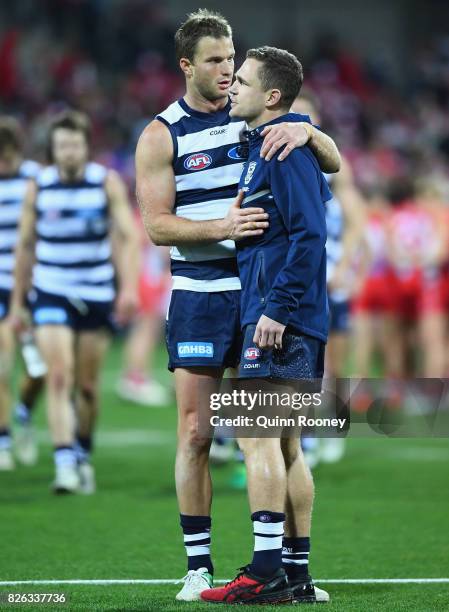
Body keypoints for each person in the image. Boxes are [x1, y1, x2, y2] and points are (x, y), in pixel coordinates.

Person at [136, 9, 340, 601]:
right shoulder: (161, 133)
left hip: (262, 295)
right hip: (203, 295)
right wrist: (221, 226)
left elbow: (328, 161)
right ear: (186, 66)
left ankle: (289, 571)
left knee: (278, 438)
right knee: (198, 432)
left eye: (232, 59)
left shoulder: (256, 116)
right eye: (215, 61)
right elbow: (155, 226)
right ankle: (199, 565)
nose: (228, 70)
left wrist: (311, 132)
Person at [201, 46, 330, 605]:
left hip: (281, 317)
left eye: (245, 81)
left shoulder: (282, 151)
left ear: (271, 96)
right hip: (293, 315)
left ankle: (265, 571)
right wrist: (312, 132)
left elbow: (310, 236)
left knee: (255, 438)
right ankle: (297, 576)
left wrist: (275, 308)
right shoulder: (274, 144)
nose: (233, 86)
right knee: (286, 444)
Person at [10, 110, 139, 493]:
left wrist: (129, 288)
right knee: (59, 376)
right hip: (51, 289)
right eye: (62, 145)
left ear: (86, 148)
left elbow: (128, 236)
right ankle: (64, 463)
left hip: (96, 292)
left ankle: (82, 453)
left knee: (87, 388)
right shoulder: (40, 184)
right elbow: (25, 246)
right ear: (53, 149)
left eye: (76, 144)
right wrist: (20, 301)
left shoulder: (106, 183)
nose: (69, 151)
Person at [292, 91, 365, 465]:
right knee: (300, 362)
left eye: (308, 115)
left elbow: (356, 223)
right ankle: (303, 437)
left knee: (333, 362)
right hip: (298, 278)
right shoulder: (281, 159)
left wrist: (343, 268)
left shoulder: (334, 165)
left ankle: (335, 426)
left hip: (330, 275)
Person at [0, 116, 44, 471]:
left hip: (36, 286)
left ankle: (24, 412)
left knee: (40, 369)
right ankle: (2, 441)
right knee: (3, 364)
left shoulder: (35, 178)